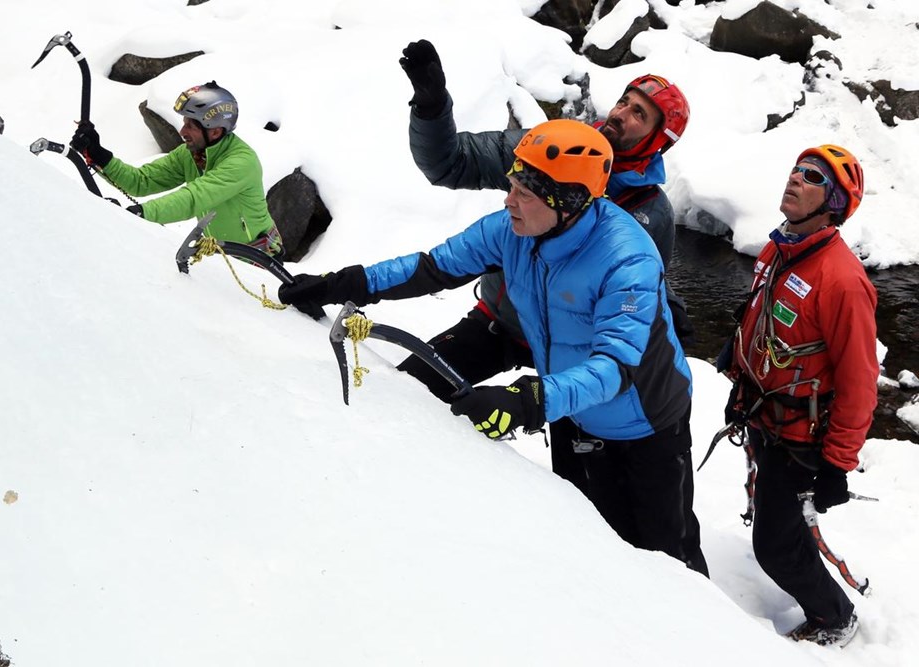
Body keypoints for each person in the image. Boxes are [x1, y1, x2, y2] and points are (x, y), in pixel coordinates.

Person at [279, 120, 707, 575]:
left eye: (525, 192)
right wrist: (347, 283)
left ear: (570, 201)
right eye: (512, 185)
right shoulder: (513, 229)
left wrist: (533, 399)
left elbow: (618, 365)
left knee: (667, 561)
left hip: (645, 426)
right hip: (570, 412)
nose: (510, 200)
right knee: (588, 541)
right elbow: (432, 268)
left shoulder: (626, 257)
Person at [395, 39, 693, 404]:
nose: (620, 114)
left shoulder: (651, 211)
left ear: (657, 142)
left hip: (575, 352)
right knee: (407, 391)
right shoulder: (548, 147)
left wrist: (669, 305)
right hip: (502, 324)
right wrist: (431, 103)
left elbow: (641, 281)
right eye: (624, 102)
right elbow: (450, 163)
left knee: (568, 456)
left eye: (639, 115)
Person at [722, 144, 877, 647]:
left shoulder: (843, 281)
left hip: (803, 439)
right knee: (779, 527)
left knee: (774, 546)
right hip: (770, 418)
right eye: (795, 170)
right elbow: (760, 324)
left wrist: (837, 463)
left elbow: (859, 382)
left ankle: (836, 617)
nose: (795, 179)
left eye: (811, 176)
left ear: (831, 201)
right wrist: (739, 381)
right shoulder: (779, 250)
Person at [70, 81, 283, 256]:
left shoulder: (241, 162)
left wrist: (143, 213)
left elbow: (194, 198)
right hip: (220, 257)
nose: (182, 130)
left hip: (258, 262)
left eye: (191, 125)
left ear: (215, 132)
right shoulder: (191, 154)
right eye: (184, 122)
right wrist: (98, 154)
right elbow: (141, 181)